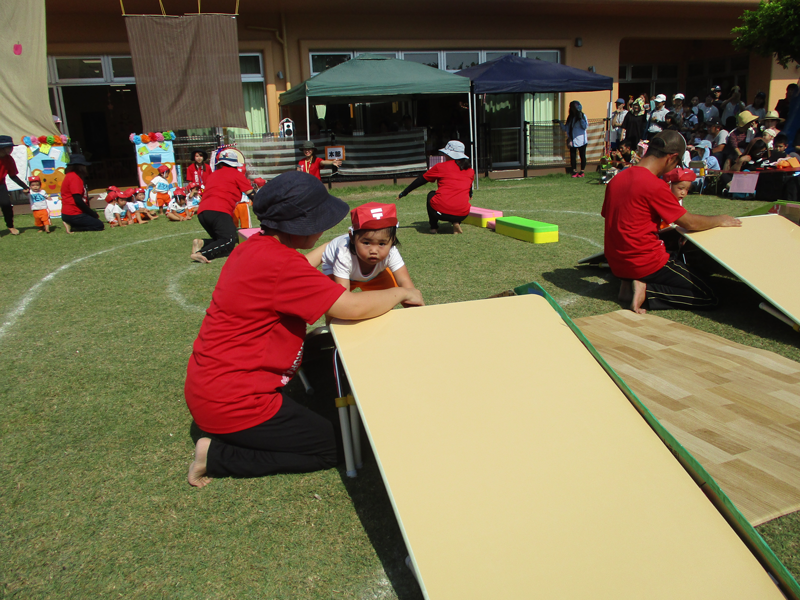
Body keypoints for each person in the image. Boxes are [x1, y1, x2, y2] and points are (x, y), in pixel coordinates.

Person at [184, 171, 424, 487]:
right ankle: (214, 455)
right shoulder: (285, 267)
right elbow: (350, 307)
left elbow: (300, 274)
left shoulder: (253, 248)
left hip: (209, 387)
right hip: (236, 404)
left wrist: (327, 249)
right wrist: (403, 293)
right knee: (335, 446)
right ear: (303, 225)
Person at [601, 130, 741, 314]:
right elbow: (689, 222)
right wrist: (720, 220)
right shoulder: (654, 184)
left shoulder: (617, 179)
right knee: (709, 296)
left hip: (616, 262)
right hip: (645, 262)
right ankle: (647, 291)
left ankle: (630, 281)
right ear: (671, 157)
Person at [315, 202, 418, 294]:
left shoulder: (391, 251)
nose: (373, 250)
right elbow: (343, 298)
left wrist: (416, 307)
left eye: (382, 244)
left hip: (375, 275)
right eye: (366, 243)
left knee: (389, 298)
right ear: (352, 238)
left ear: (392, 241)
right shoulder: (344, 254)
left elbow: (405, 282)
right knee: (333, 301)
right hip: (336, 271)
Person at [190, 149, 254, 263]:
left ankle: (201, 243)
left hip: (203, 213)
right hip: (219, 211)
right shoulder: (236, 174)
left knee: (222, 239)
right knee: (229, 241)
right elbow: (251, 194)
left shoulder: (213, 175)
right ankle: (201, 253)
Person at [396, 140, 474, 234]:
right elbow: (469, 190)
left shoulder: (440, 167)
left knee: (431, 195)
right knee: (459, 197)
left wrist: (404, 193)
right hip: (463, 214)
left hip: (441, 213)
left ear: (449, 155)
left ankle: (434, 227)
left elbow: (420, 180)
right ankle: (456, 222)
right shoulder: (470, 170)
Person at [60, 154, 103, 233]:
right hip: (73, 213)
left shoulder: (70, 176)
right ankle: (73, 227)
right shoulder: (74, 177)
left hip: (69, 212)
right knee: (98, 225)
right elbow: (78, 199)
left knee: (93, 220)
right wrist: (92, 213)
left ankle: (72, 223)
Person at [0, 135, 28, 235]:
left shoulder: (9, 159)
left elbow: (13, 176)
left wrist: (25, 187)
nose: (11, 149)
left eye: (12, 147)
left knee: (6, 204)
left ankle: (10, 226)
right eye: (9, 147)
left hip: (1, 185)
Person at [559, 101, 589, 177]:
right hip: (572, 139)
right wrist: (559, 123)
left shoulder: (583, 115)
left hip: (582, 139)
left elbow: (585, 126)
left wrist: (581, 119)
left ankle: (582, 171)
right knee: (572, 156)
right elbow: (566, 128)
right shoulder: (570, 117)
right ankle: (574, 170)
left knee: (582, 155)